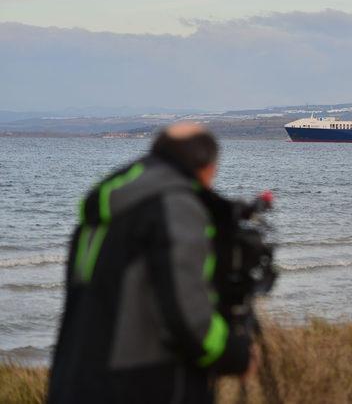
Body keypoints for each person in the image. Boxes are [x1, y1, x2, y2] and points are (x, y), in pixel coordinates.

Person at [48, 123, 252, 404]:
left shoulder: (105, 210)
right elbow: (188, 317)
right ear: (206, 166)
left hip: (74, 381)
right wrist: (235, 353)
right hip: (141, 386)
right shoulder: (175, 205)